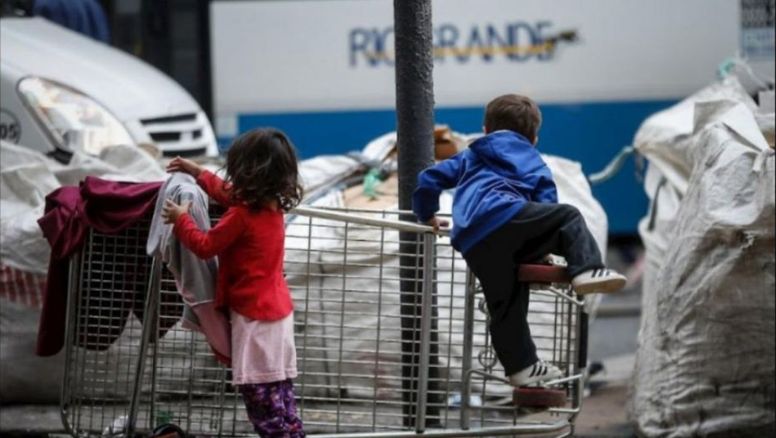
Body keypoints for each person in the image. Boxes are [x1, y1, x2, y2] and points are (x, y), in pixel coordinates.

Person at [412, 94, 627, 387]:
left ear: (485, 130)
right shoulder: (532, 158)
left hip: (474, 241)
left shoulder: (472, 154)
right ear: (534, 138)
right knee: (568, 216)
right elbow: (546, 204)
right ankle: (587, 269)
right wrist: (545, 254)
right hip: (505, 216)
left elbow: (428, 179)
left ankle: (522, 367)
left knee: (506, 306)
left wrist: (428, 216)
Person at [162, 128, 305, 437]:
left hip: (254, 320)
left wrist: (181, 219)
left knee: (261, 403)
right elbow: (228, 193)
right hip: (278, 314)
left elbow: (203, 245)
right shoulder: (273, 207)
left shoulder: (241, 216)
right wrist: (197, 172)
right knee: (282, 398)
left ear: (244, 170)